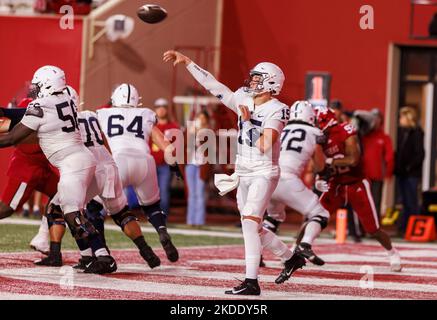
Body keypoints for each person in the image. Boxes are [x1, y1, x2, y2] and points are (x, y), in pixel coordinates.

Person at [164, 50, 295, 295]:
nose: (252, 82)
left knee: (249, 222)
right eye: (254, 77)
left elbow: (265, 144)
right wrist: (189, 63)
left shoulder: (277, 109)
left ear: (271, 83)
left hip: (263, 171)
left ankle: (251, 282)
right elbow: (215, 87)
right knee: (253, 227)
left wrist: (246, 122)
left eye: (258, 78)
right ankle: (289, 258)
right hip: (243, 171)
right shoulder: (244, 98)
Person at [0, 65, 116, 274]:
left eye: (37, 85)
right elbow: (28, 113)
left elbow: (12, 137)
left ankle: (104, 257)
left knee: (73, 214)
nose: (34, 89)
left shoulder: (42, 105)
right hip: (83, 161)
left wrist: (7, 113)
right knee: (58, 209)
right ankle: (90, 256)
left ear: (46, 85)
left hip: (72, 165)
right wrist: (6, 111)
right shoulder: (68, 99)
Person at [36, 86, 162, 269]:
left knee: (63, 210)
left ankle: (96, 255)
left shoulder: (62, 122)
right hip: (109, 164)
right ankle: (145, 250)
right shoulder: (90, 115)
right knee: (121, 213)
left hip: (90, 169)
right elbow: (103, 140)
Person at [97, 84, 179, 263]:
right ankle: (162, 231)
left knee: (95, 209)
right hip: (144, 161)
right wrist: (174, 166)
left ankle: (102, 251)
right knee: (152, 206)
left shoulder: (103, 114)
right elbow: (167, 146)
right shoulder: (146, 114)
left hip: (118, 160)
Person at [314, 106, 402, 272]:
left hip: (356, 183)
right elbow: (316, 164)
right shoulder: (317, 138)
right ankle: (295, 252)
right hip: (336, 184)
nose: (315, 125)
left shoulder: (345, 130)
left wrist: (329, 162)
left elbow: (353, 159)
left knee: (373, 229)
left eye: (317, 121)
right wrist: (319, 177)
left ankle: (392, 252)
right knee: (314, 217)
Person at [265, 101, 330, 284]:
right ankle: (305, 244)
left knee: (273, 217)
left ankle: (259, 255)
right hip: (287, 180)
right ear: (310, 116)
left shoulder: (281, 128)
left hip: (268, 178)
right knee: (320, 214)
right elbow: (320, 165)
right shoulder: (315, 132)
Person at [0, 95, 59, 255]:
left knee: (62, 195)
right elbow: (12, 128)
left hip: (43, 166)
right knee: (6, 209)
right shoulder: (31, 105)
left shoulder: (55, 107)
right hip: (27, 165)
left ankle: (43, 238)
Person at [394, 106, 425, 235]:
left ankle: (414, 229)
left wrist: (409, 167)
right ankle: (404, 228)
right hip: (402, 173)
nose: (400, 120)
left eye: (402, 117)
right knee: (404, 202)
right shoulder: (402, 133)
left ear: (408, 118)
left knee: (411, 201)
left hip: (411, 174)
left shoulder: (417, 133)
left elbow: (420, 154)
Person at [361, 109, 394, 218]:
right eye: (372, 118)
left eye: (377, 118)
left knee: (375, 201)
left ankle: (375, 228)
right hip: (363, 175)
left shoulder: (384, 138)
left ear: (381, 121)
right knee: (363, 201)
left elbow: (389, 157)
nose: (374, 121)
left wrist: (388, 173)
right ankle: (361, 227)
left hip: (377, 175)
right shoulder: (363, 136)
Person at [151, 98, 179, 216]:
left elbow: (177, 147)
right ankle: (153, 216)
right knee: (151, 193)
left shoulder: (173, 126)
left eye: (163, 107)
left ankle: (163, 216)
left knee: (164, 191)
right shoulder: (150, 126)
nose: (161, 110)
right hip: (151, 164)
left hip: (165, 165)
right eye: (159, 107)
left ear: (167, 110)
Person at [185, 111, 212, 226]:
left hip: (202, 165)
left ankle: (199, 221)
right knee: (192, 193)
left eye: (203, 117)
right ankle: (190, 221)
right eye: (199, 117)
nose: (201, 120)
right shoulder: (191, 130)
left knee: (200, 193)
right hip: (191, 164)